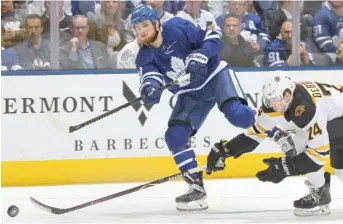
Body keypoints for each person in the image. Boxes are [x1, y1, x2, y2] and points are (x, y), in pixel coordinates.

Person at [131, 4, 256, 211]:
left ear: (156, 23)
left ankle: (274, 121)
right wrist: (150, 92)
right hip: (191, 94)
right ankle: (195, 187)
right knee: (175, 136)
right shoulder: (144, 57)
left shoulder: (176, 27)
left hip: (216, 77)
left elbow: (213, 38)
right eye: (137, 28)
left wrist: (202, 54)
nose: (141, 31)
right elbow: (149, 79)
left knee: (239, 116)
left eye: (145, 25)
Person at [206, 72, 343, 216]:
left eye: (274, 99)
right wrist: (226, 151)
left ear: (287, 95)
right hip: (334, 118)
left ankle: (320, 193)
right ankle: (320, 192)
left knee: (311, 148)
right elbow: (256, 133)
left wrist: (285, 167)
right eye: (268, 99)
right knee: (325, 157)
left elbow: (319, 155)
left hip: (337, 118)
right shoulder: (276, 105)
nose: (271, 104)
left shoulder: (308, 108)